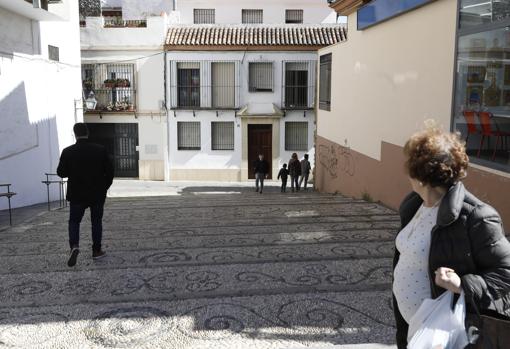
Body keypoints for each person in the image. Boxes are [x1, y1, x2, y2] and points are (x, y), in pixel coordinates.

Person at [393, 126, 510, 348]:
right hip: (414, 329)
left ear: (420, 176)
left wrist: (462, 284)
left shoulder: (476, 216)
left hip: (445, 334)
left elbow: (506, 273)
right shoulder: (414, 206)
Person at [57, 123, 114, 267]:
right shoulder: (100, 150)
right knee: (96, 222)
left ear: (75, 134)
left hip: (76, 194)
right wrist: (104, 188)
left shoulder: (67, 151)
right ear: (87, 133)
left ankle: (74, 246)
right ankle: (96, 251)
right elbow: (110, 172)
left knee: (74, 221)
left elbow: (61, 173)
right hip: (97, 194)